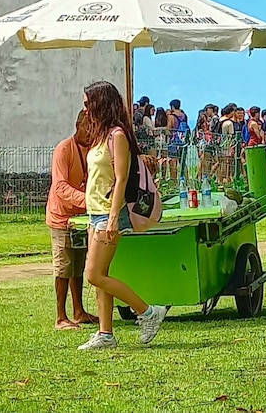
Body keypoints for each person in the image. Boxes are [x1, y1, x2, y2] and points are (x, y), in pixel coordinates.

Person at [77, 80, 167, 352]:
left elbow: (121, 177)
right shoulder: (100, 135)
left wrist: (114, 217)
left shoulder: (117, 135)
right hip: (95, 212)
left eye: (87, 103)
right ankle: (105, 333)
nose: (84, 108)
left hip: (107, 213)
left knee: (93, 274)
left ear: (100, 103)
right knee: (100, 274)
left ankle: (148, 311)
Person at [47, 111, 97, 330]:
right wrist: (87, 200)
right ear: (78, 125)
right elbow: (60, 186)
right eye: (88, 128)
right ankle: (60, 317)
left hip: (81, 217)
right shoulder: (64, 150)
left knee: (78, 265)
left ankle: (78, 311)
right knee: (63, 267)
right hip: (62, 217)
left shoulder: (93, 150)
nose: (91, 133)